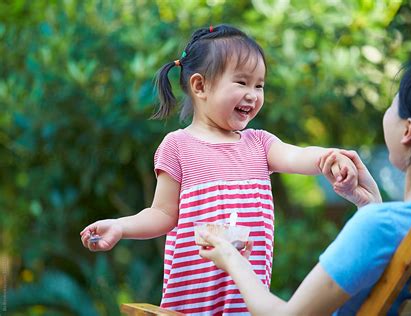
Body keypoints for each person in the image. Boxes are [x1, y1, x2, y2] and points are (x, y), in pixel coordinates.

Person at [80, 24, 358, 315]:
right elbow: (161, 214)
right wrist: (120, 226)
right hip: (190, 305)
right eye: (241, 82)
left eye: (259, 85)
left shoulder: (260, 144)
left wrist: (328, 157)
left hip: (247, 304)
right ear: (200, 86)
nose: (253, 94)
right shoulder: (178, 146)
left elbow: (296, 155)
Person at [199, 50, 411, 315]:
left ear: (407, 130)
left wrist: (232, 259)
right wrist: (370, 204)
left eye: (393, 104)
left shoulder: (381, 227)